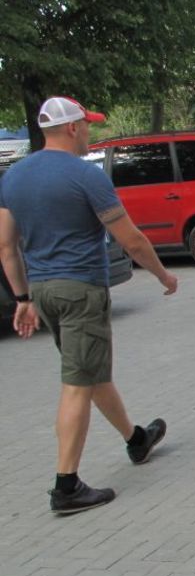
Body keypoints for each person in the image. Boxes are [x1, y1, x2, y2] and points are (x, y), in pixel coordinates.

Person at [0, 96, 178, 515]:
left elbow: (7, 247)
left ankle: (136, 439)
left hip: (43, 291)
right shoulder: (85, 176)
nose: (91, 133)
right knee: (77, 383)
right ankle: (67, 486)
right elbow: (131, 238)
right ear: (73, 128)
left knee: (90, 371)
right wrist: (163, 276)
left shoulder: (14, 176)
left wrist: (23, 298)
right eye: (88, 126)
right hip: (81, 290)